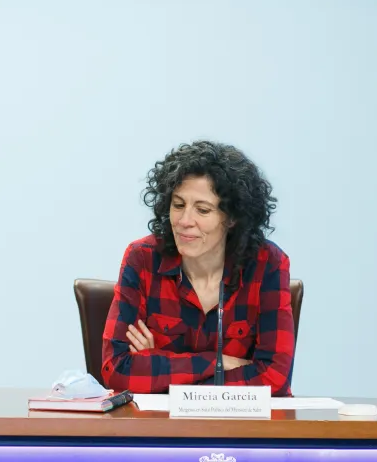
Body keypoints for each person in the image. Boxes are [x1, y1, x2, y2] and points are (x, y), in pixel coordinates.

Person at [100, 140, 294, 395]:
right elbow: (116, 369)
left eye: (202, 210)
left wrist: (159, 365)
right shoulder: (142, 258)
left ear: (232, 218)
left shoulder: (268, 263)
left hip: (242, 421)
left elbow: (274, 378)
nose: (184, 221)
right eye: (178, 205)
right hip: (162, 421)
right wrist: (218, 363)